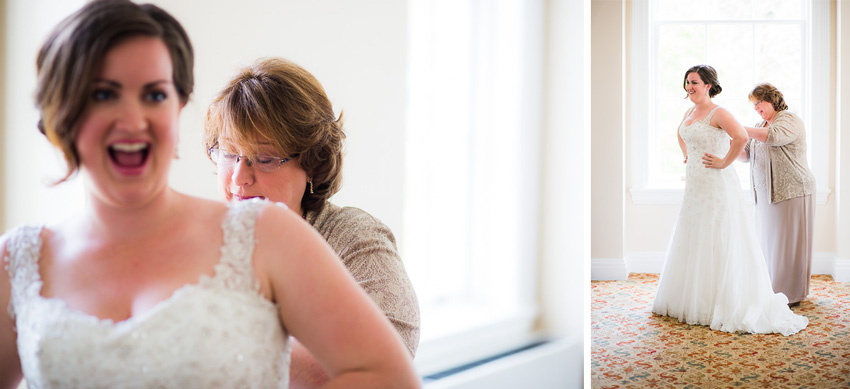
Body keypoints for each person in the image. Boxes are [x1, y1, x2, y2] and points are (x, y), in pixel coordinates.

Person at [0, 1, 420, 388]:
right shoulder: (18, 260)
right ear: (59, 116)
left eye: (154, 94)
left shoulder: (278, 235)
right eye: (103, 94)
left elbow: (388, 368)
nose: (239, 180)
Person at [203, 57, 420, 388]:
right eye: (229, 154)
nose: (239, 178)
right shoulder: (202, 240)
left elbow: (388, 364)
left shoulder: (353, 238)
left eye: (264, 159)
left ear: (313, 165)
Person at [651, 65, 808, 336]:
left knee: (718, 233)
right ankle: (693, 298)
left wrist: (724, 161)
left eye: (695, 82)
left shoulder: (719, 112)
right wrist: (688, 155)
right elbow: (681, 133)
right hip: (696, 186)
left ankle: (721, 301)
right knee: (694, 232)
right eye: (687, 82)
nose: (689, 87)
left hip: (716, 184)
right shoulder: (689, 112)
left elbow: (741, 137)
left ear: (709, 85)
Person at [738, 83, 815, 306]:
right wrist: (729, 145)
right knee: (770, 244)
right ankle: (773, 290)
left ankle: (790, 295)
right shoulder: (759, 124)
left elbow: (772, 137)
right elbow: (746, 155)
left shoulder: (788, 119)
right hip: (765, 193)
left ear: (772, 99)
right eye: (753, 104)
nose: (756, 108)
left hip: (792, 189)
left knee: (788, 244)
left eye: (759, 102)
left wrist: (738, 129)